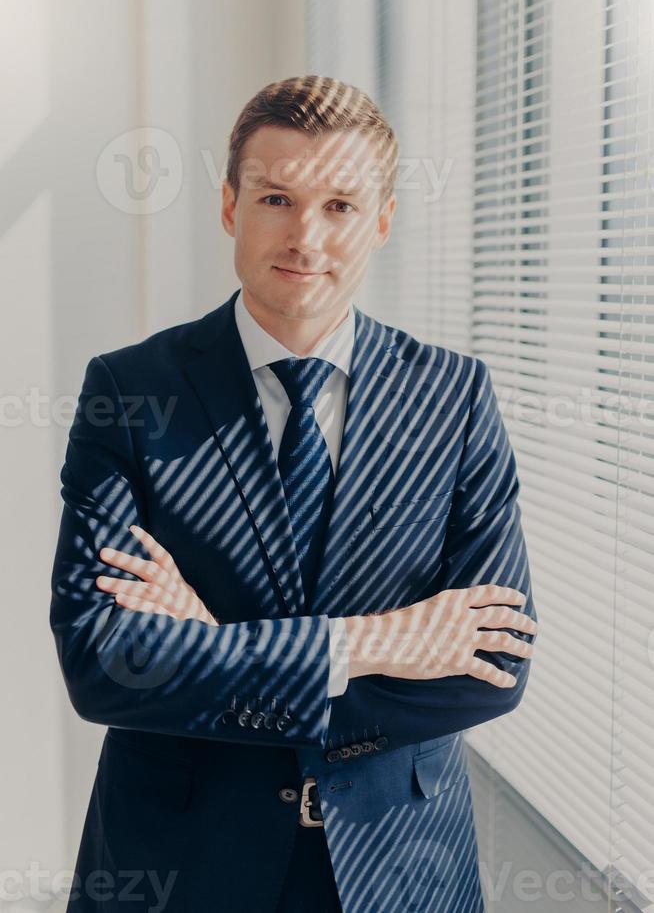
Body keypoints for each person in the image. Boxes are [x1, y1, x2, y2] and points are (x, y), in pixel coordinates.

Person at [50, 74, 538, 913]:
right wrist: (365, 644)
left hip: (400, 868)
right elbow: (104, 664)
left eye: (341, 206)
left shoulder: (454, 397)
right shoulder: (132, 392)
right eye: (278, 197)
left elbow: (491, 663)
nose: (306, 236)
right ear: (230, 206)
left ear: (382, 221)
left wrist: (220, 647)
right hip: (176, 864)